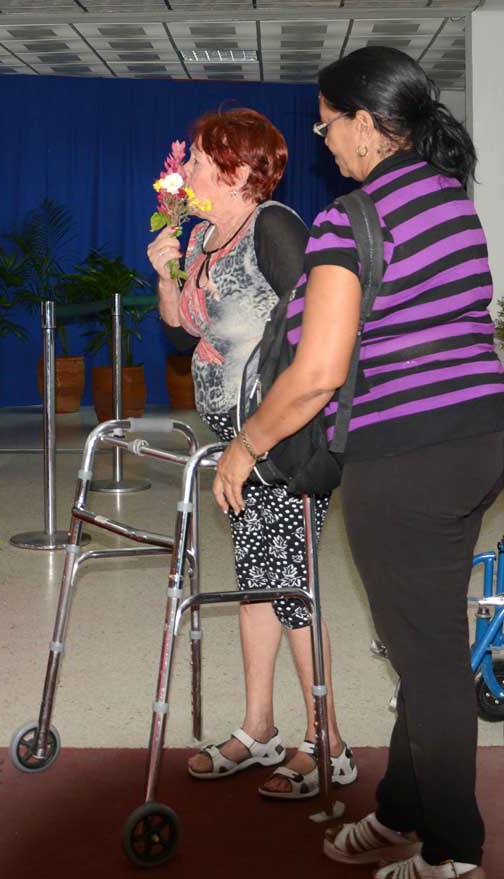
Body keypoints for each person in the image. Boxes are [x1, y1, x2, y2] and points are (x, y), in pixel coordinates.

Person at [213, 47, 503, 879]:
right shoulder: (452, 200)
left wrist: (247, 444)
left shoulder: (351, 218)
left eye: (327, 121)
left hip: (408, 457)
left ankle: (452, 854)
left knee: (430, 661)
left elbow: (316, 374)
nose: (322, 135)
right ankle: (401, 812)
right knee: (426, 640)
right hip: (479, 441)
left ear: (369, 126)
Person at [146, 107, 355, 799]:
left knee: (292, 587)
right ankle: (259, 725)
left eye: (200, 160)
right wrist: (167, 271)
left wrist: (268, 429)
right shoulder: (206, 234)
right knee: (258, 585)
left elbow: (320, 331)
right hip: (237, 450)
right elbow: (181, 329)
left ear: (237, 170)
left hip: (283, 442)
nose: (187, 171)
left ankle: (329, 742)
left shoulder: (276, 226)